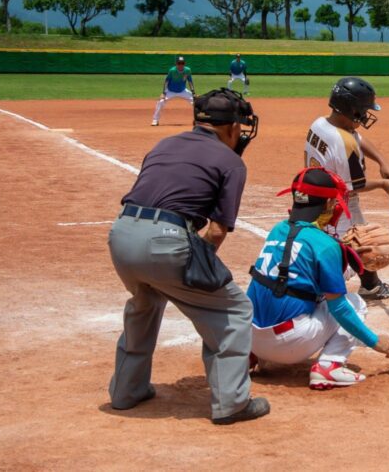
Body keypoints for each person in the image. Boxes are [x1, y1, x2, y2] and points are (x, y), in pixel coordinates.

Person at [108, 88, 269, 424]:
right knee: (235, 310)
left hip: (121, 235)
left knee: (145, 302)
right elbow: (216, 230)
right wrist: (195, 269)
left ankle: (126, 391)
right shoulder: (231, 162)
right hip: (165, 241)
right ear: (231, 127)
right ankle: (232, 403)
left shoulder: (164, 144)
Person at [247, 168, 389, 389]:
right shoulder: (325, 246)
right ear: (328, 204)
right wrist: (375, 342)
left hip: (249, 337)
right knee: (355, 303)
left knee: (273, 284)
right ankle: (329, 366)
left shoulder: (277, 230)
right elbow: (339, 309)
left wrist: (342, 257)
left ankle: (251, 356)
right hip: (290, 345)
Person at [305, 77, 389, 300]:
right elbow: (354, 186)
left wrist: (382, 160)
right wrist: (383, 184)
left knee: (361, 237)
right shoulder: (342, 143)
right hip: (337, 205)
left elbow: (356, 137)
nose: (367, 114)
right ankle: (311, 291)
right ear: (353, 109)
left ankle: (371, 285)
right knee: (351, 249)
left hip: (316, 194)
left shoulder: (321, 123)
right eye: (364, 109)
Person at [152, 56, 196, 126]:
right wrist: (163, 93)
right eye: (179, 63)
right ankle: (155, 120)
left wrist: (193, 93)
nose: (181, 65)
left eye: (182, 63)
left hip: (182, 91)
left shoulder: (187, 70)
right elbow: (166, 81)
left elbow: (190, 81)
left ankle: (198, 120)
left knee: (196, 102)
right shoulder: (172, 70)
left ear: (184, 64)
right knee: (161, 101)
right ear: (176, 64)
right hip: (170, 91)